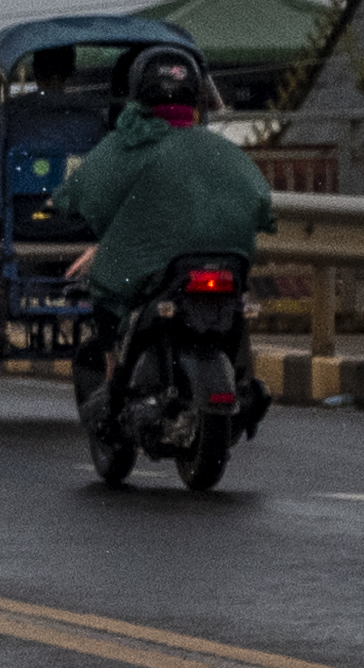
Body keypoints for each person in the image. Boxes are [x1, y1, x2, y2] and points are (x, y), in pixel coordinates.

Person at [54, 42, 275, 402]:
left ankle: (112, 385)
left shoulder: (128, 144)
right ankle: (244, 382)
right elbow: (261, 204)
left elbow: (86, 196)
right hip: (228, 257)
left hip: (157, 266)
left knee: (105, 290)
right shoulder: (219, 149)